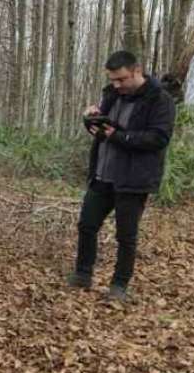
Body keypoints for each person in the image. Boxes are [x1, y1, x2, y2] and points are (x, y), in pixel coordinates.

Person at [68, 50, 175, 302]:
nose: (116, 85)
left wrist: (116, 135)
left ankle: (119, 286)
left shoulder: (159, 100)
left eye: (121, 79)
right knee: (87, 225)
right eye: (113, 79)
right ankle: (83, 275)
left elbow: (158, 138)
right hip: (103, 174)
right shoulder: (112, 93)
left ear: (137, 71)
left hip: (133, 179)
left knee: (125, 236)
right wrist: (91, 119)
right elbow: (102, 128)